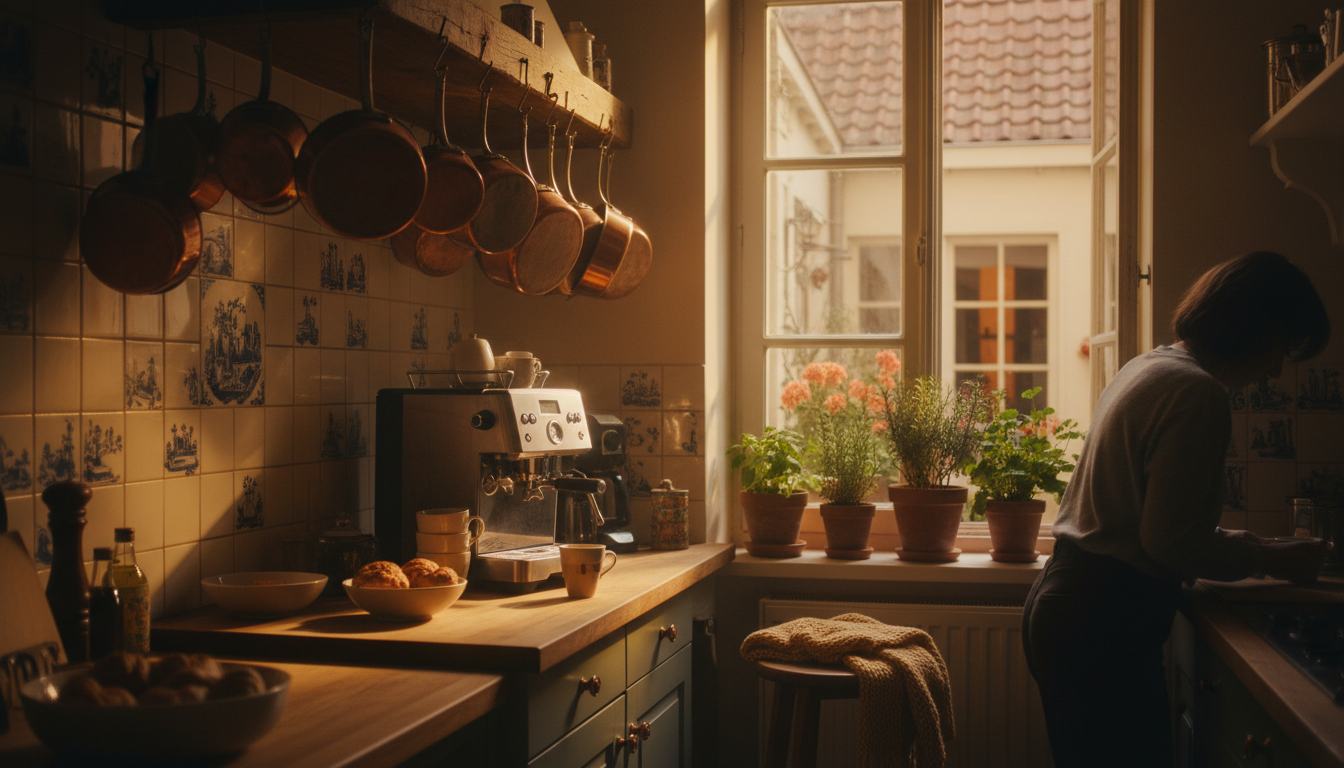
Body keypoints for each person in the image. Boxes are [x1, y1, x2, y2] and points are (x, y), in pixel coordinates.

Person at [1021, 251, 1333, 767]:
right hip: (1104, 624)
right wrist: (1268, 558)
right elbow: (1169, 541)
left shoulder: (1150, 365)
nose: (1277, 368)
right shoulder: (1197, 391)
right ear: (1250, 327)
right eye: (1281, 346)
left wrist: (1258, 547)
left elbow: (1162, 521)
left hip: (1070, 604)